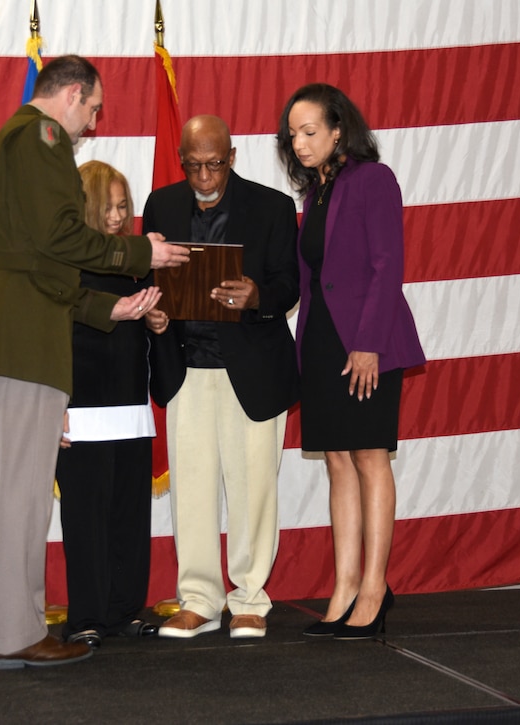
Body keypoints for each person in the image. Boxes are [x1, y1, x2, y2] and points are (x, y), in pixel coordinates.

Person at [0, 55, 188, 670]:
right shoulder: (44, 138)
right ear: (73, 95)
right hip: (26, 337)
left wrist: (102, 311)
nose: (93, 121)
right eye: (94, 108)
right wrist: (142, 250)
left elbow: (19, 253)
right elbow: (61, 238)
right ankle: (15, 632)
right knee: (23, 488)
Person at [275, 83, 426, 640]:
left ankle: (373, 588)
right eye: (293, 134)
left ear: (339, 130)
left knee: (369, 456)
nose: (300, 143)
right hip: (319, 343)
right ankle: (343, 586)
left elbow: (389, 267)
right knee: (337, 460)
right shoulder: (315, 194)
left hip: (367, 342)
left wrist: (368, 344)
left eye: (310, 132)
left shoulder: (373, 180)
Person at [144, 115, 299, 639]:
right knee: (191, 491)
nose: (205, 176)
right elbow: (150, 280)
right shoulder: (161, 205)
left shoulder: (272, 207)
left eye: (214, 164)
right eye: (193, 166)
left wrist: (258, 296)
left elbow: (288, 286)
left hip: (251, 371)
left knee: (254, 489)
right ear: (181, 160)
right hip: (185, 369)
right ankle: (200, 598)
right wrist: (156, 315)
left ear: (232, 157)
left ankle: (250, 597)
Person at [56, 161, 162, 650]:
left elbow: (150, 328)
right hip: (82, 408)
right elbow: (50, 336)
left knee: (128, 516)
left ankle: (123, 611)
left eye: (124, 206)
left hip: (131, 407)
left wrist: (159, 322)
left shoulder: (137, 262)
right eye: (108, 207)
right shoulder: (63, 267)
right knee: (86, 519)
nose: (118, 217)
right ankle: (86, 617)